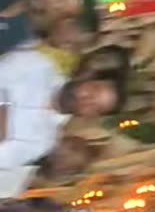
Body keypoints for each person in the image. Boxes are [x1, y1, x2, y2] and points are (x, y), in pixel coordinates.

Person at [0, 43, 126, 172]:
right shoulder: (38, 65)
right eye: (94, 90)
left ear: (90, 116)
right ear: (87, 78)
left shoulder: (43, 141)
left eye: (96, 107)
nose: (87, 101)